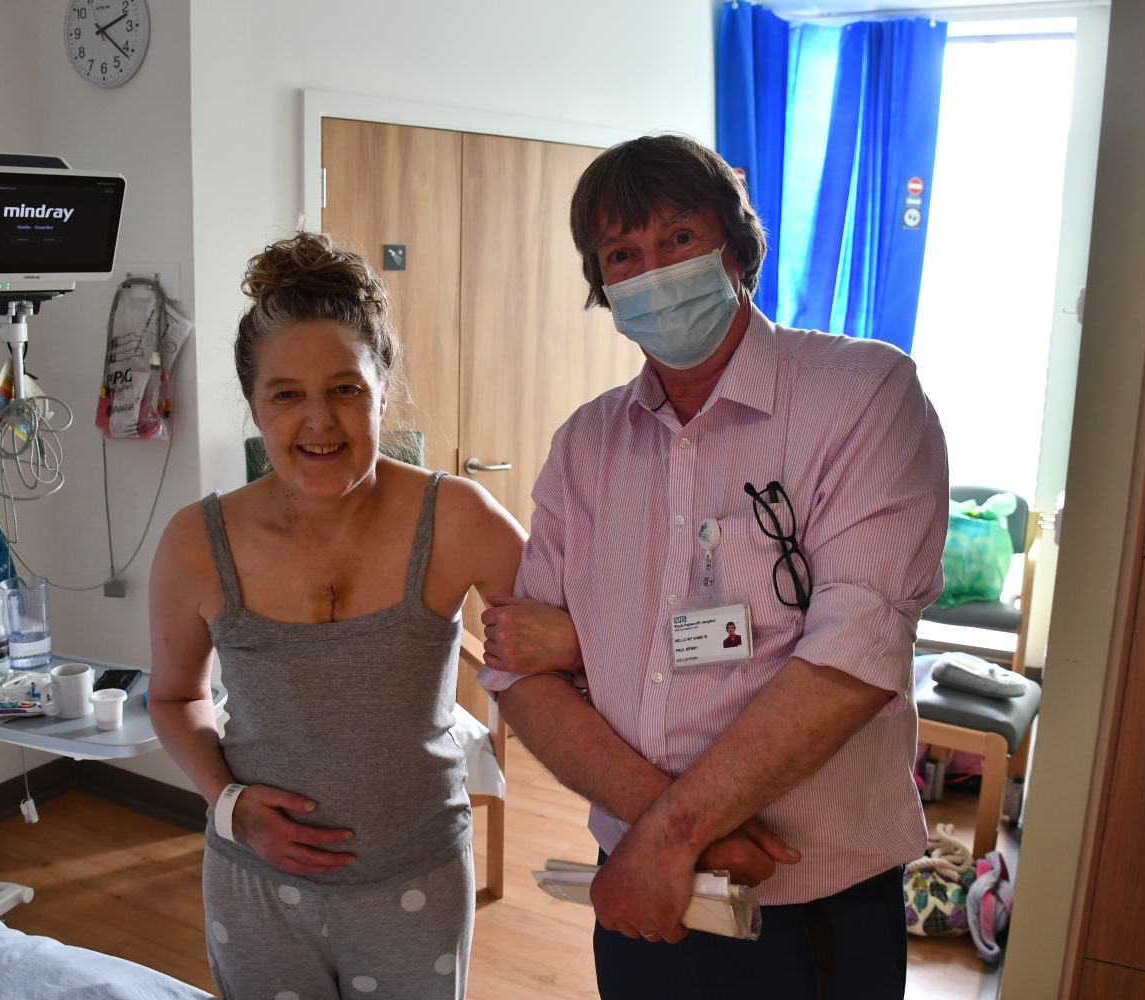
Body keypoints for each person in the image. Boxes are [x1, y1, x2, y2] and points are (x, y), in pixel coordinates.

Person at [479, 134, 947, 999]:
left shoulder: (863, 398)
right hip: (639, 889)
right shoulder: (587, 446)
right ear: (603, 287)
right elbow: (516, 671)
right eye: (623, 254)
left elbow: (855, 656)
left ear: (734, 247)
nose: (651, 271)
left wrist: (666, 834)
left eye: (678, 240)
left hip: (804, 894)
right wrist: (667, 837)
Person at [148, 232, 525, 1000]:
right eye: (286, 394)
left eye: (346, 389)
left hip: (415, 879)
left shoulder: (455, 518)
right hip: (255, 891)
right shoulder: (198, 541)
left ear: (383, 391)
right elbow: (174, 696)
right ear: (254, 406)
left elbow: (566, 640)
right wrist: (228, 804)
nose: (318, 422)